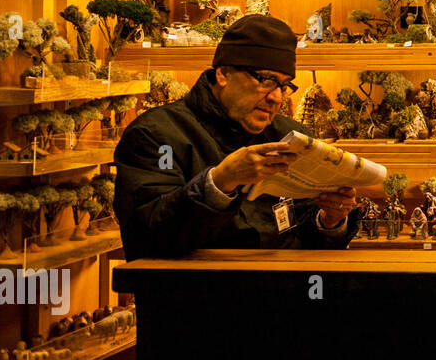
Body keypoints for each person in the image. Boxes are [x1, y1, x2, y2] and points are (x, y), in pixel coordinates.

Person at [113, 15, 360, 259]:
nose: (276, 97)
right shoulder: (157, 136)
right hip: (192, 293)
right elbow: (147, 236)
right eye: (266, 80)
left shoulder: (288, 136)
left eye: (283, 86)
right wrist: (219, 182)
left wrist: (329, 221)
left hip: (283, 291)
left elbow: (302, 236)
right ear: (223, 74)